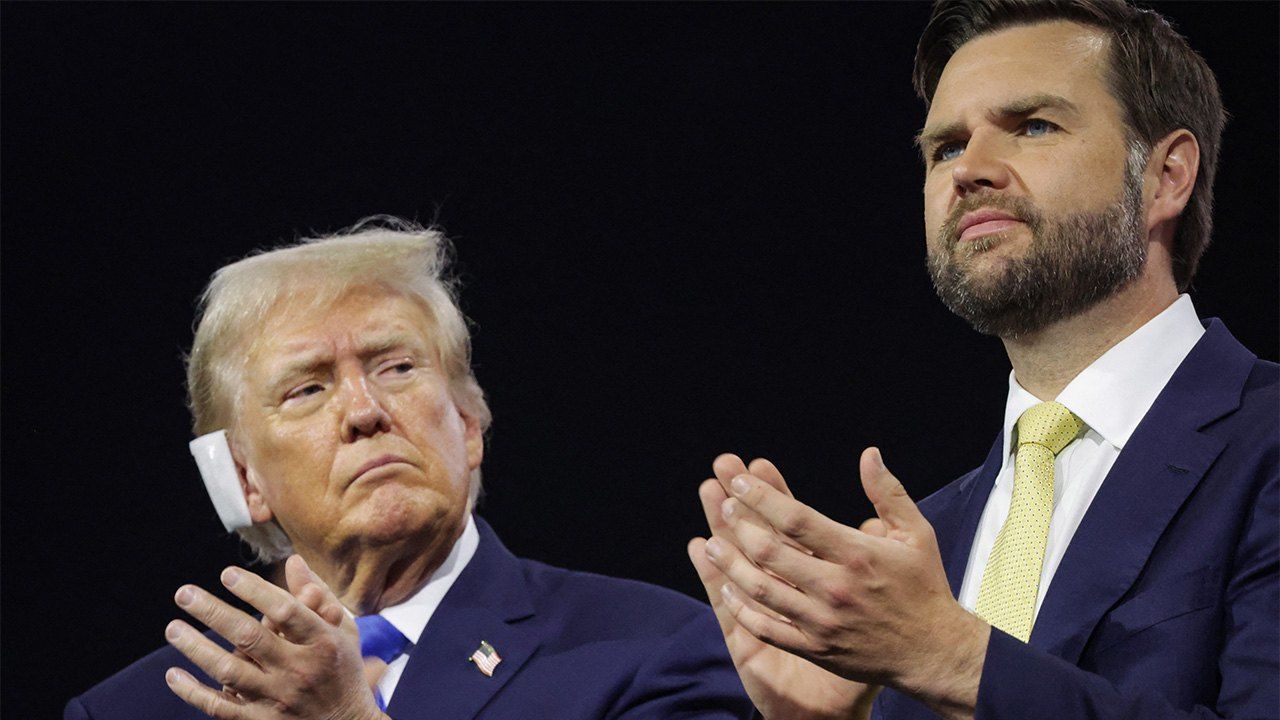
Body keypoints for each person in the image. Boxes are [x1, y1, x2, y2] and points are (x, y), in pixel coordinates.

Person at [687, 1, 1277, 719]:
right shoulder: (925, 551)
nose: (969, 170)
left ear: (1166, 175)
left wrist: (952, 659)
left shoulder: (1264, 444)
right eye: (945, 148)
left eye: (1033, 126)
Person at [67, 219, 753, 720]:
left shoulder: (652, 650)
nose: (364, 411)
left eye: (396, 368)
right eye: (308, 389)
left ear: (469, 423)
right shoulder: (134, 710)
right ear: (243, 481)